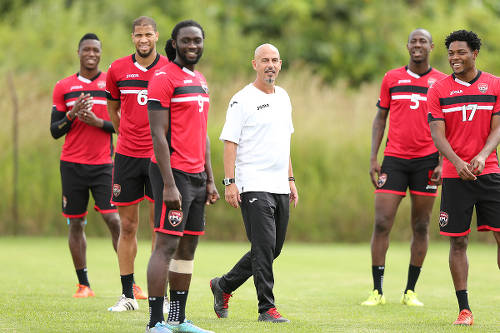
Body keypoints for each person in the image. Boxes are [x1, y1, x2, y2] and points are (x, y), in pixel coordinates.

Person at [210, 43, 298, 323]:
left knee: (274, 249)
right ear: (255, 64)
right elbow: (229, 144)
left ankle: (223, 285)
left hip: (279, 185)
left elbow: (285, 144)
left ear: (280, 64)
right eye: (264, 60)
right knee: (263, 248)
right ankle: (266, 309)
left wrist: (291, 178)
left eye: (274, 60)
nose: (270, 65)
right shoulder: (242, 99)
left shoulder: (284, 97)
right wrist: (230, 183)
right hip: (253, 183)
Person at [362, 29, 447, 307]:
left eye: (423, 41)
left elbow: (450, 126)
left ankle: (410, 291)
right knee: (382, 222)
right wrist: (374, 158)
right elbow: (379, 118)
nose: (418, 45)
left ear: (431, 46)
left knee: (421, 225)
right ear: (407, 45)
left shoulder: (443, 82)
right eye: (414, 41)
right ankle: (377, 291)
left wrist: (442, 161)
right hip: (394, 159)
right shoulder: (391, 78)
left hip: (427, 161)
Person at [145, 20, 219, 333]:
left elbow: (202, 135)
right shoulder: (163, 78)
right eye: (186, 41)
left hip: (197, 176)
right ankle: (154, 322)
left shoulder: (200, 80)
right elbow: (158, 135)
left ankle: (177, 318)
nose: (193, 46)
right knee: (165, 246)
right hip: (172, 175)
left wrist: (211, 178)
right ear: (174, 43)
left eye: (197, 41)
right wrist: (170, 185)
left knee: (188, 249)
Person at [428, 29, 500, 326]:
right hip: (455, 176)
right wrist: (457, 163)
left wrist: (482, 156)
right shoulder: (439, 90)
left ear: (474, 53)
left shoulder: (495, 85)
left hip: (490, 171)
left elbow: (497, 128)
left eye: (460, 52)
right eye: (451, 53)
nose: (454, 58)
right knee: (458, 243)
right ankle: (464, 310)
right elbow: (437, 134)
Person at [106, 16, 170, 311]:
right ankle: (127, 295)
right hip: (127, 156)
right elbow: (113, 108)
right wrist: (126, 134)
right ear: (132, 37)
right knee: (127, 226)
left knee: (159, 228)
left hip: (159, 158)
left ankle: (159, 293)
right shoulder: (117, 69)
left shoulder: (170, 69)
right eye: (138, 35)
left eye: (148, 34)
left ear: (156, 36)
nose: (143, 39)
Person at [50, 33, 120, 298]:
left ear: (101, 53)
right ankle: (83, 284)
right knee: (76, 223)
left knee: (114, 220)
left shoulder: (110, 85)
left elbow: (123, 126)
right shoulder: (64, 86)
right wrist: (71, 114)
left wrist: (97, 122)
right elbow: (55, 131)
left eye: (96, 50)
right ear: (78, 52)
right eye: (86, 49)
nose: (91, 54)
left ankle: (131, 283)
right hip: (71, 165)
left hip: (104, 165)